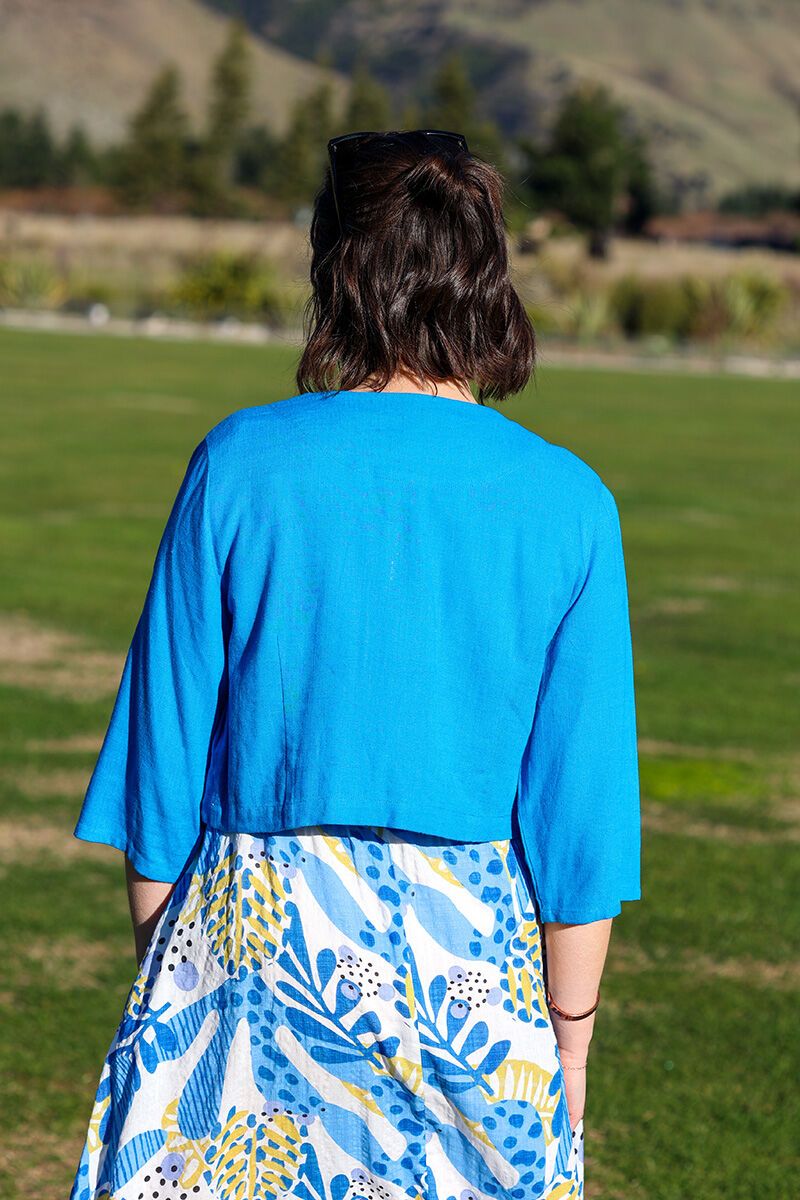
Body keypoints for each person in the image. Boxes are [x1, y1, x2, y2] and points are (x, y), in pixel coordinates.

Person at [69, 129, 641, 1200]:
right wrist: (569, 1041)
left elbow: (161, 771)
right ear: (486, 272)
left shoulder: (240, 462)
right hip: (474, 972)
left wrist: (174, 979)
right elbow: (580, 825)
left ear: (335, 268)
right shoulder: (570, 501)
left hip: (249, 941)